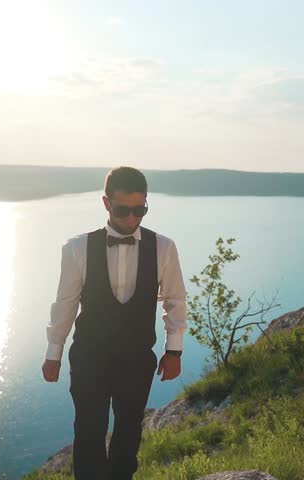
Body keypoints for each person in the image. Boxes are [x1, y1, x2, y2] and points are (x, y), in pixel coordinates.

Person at [41, 166, 187, 480]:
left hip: (137, 359)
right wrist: (53, 353)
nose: (133, 218)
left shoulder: (164, 247)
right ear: (106, 203)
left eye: (141, 210)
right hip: (89, 358)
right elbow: (64, 304)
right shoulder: (77, 248)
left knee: (128, 431)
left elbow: (175, 300)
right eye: (124, 210)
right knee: (89, 431)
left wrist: (173, 351)